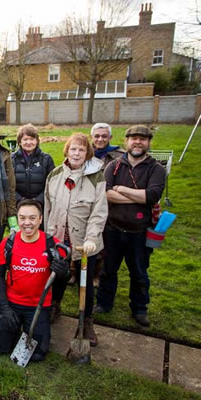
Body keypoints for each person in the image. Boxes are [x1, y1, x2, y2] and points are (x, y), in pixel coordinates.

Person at [96, 125, 166, 328]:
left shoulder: (156, 169)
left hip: (140, 231)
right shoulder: (114, 166)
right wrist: (138, 197)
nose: (137, 142)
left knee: (139, 271)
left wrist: (122, 189)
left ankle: (140, 308)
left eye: (142, 139)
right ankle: (103, 303)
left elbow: (152, 196)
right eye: (133, 138)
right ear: (126, 141)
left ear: (148, 142)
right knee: (108, 269)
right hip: (113, 228)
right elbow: (106, 194)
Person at [44, 133, 108, 346]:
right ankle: (55, 305)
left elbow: (99, 212)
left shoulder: (96, 177)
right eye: (73, 149)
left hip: (85, 240)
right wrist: (47, 237)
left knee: (85, 282)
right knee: (59, 274)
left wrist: (91, 239)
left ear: (87, 153)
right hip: (60, 237)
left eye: (81, 150)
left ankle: (86, 321)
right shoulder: (54, 175)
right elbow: (48, 208)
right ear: (66, 151)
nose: (77, 153)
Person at [0, 199, 69, 362]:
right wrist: (4, 306)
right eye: (22, 218)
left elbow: (61, 282)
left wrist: (63, 273)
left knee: (38, 355)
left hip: (39, 306)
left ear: (41, 219)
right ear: (17, 219)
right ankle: (12, 327)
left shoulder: (52, 245)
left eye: (32, 218)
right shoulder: (8, 243)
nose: (27, 223)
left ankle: (31, 329)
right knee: (1, 347)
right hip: (12, 303)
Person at [89, 123, 124, 287]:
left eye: (104, 136)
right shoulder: (84, 152)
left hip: (109, 206)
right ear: (92, 137)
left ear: (110, 137)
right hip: (85, 203)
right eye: (97, 136)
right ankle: (75, 271)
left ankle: (97, 274)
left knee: (102, 242)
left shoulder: (118, 156)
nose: (100, 139)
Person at [11, 123, 55, 209]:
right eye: (25, 139)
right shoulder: (11, 159)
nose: (28, 142)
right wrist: (20, 201)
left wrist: (38, 201)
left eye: (32, 139)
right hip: (17, 206)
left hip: (40, 206)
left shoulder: (46, 159)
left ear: (37, 141)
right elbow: (7, 185)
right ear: (20, 142)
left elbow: (52, 184)